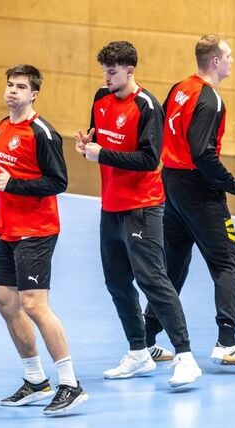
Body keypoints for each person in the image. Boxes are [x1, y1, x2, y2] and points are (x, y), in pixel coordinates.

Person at [75, 40, 201, 388]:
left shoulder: (147, 106)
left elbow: (149, 160)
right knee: (116, 283)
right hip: (110, 207)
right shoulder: (101, 98)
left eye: (112, 71)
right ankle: (139, 353)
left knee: (153, 280)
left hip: (142, 208)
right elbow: (99, 138)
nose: (106, 76)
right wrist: (87, 144)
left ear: (130, 71)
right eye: (104, 70)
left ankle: (186, 357)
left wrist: (102, 155)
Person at [142, 34, 235, 371]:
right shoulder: (210, 100)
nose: (232, 61)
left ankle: (144, 340)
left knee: (173, 266)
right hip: (198, 192)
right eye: (228, 55)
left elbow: (163, 130)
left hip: (172, 185)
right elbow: (202, 153)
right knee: (229, 264)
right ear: (215, 61)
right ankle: (227, 342)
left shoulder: (180, 87)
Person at [0, 64, 87, 415]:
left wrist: (16, 185)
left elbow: (58, 182)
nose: (12, 91)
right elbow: (11, 169)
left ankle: (71, 384)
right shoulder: (3, 126)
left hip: (37, 231)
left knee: (35, 305)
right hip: (7, 228)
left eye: (20, 87)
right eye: (9, 85)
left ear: (33, 94)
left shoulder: (42, 132)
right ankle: (36, 380)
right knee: (6, 303)